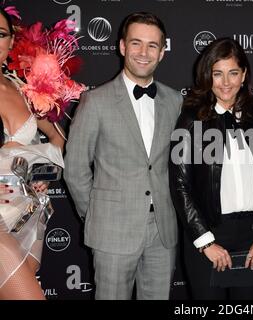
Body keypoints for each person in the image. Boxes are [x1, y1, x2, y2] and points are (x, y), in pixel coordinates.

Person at [64, 12, 182, 300]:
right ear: (122, 46)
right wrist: (94, 214)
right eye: (136, 43)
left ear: (162, 52)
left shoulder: (175, 101)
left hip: (163, 230)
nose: (144, 53)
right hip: (111, 229)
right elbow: (76, 168)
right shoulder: (96, 101)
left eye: (152, 45)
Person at [169, 38, 253, 300]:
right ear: (208, 77)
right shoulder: (189, 120)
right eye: (218, 74)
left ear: (244, 75)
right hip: (207, 235)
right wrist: (205, 241)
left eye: (233, 73)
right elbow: (179, 185)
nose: (226, 82)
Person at [0, 7, 64, 299]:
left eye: (0, 34)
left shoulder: (22, 89)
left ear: (12, 41)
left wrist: (44, 171)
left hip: (25, 215)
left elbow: (56, 138)